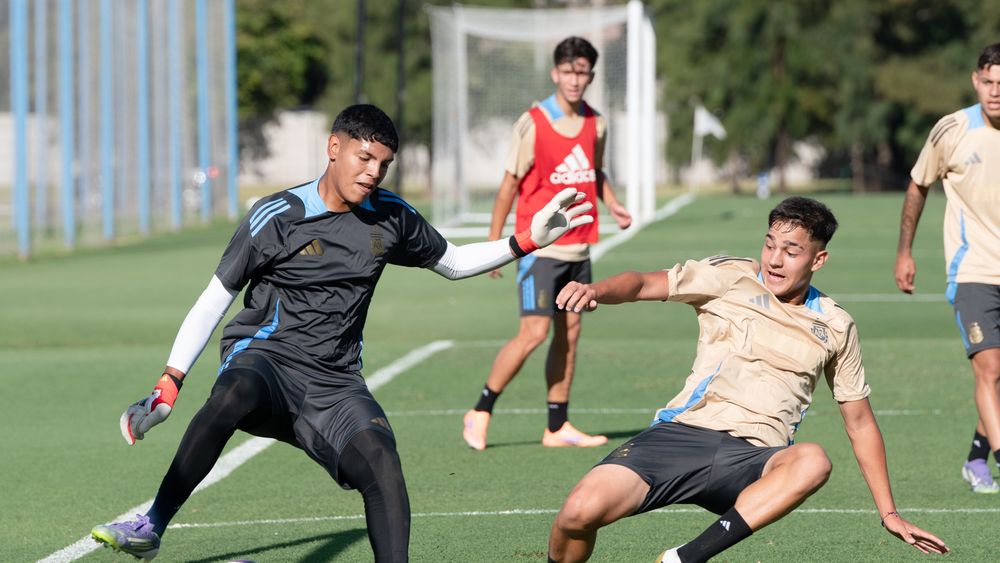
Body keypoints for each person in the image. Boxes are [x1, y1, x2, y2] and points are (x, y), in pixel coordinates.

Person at [90, 104, 593, 562]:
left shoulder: (391, 215)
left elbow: (455, 263)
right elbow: (213, 300)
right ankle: (151, 524)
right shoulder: (277, 215)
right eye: (364, 157)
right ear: (334, 148)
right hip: (266, 359)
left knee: (383, 465)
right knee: (234, 392)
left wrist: (526, 240)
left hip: (334, 381)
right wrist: (170, 381)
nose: (373, 172)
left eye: (383, 164)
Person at [546, 197, 950, 562]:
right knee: (578, 513)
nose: (775, 260)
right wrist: (595, 289)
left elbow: (859, 423)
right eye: (770, 244)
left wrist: (889, 513)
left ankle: (684, 559)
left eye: (791, 251)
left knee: (813, 460)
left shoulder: (836, 324)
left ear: (818, 259)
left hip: (753, 459)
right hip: (682, 434)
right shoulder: (729, 277)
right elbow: (644, 283)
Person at [462, 36, 632, 451]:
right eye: (569, 71)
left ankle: (557, 425)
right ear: (556, 73)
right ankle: (480, 409)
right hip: (539, 250)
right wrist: (495, 243)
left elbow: (595, 171)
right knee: (533, 333)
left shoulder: (598, 123)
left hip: (579, 248)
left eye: (583, 72)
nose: (576, 80)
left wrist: (613, 204)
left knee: (569, 335)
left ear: (590, 76)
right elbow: (509, 184)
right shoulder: (533, 123)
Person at [895, 42, 1000, 495]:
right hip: (973, 269)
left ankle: (976, 457)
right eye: (989, 82)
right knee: (990, 370)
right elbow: (918, 184)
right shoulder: (952, 130)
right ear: (976, 81)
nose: (996, 91)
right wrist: (905, 251)